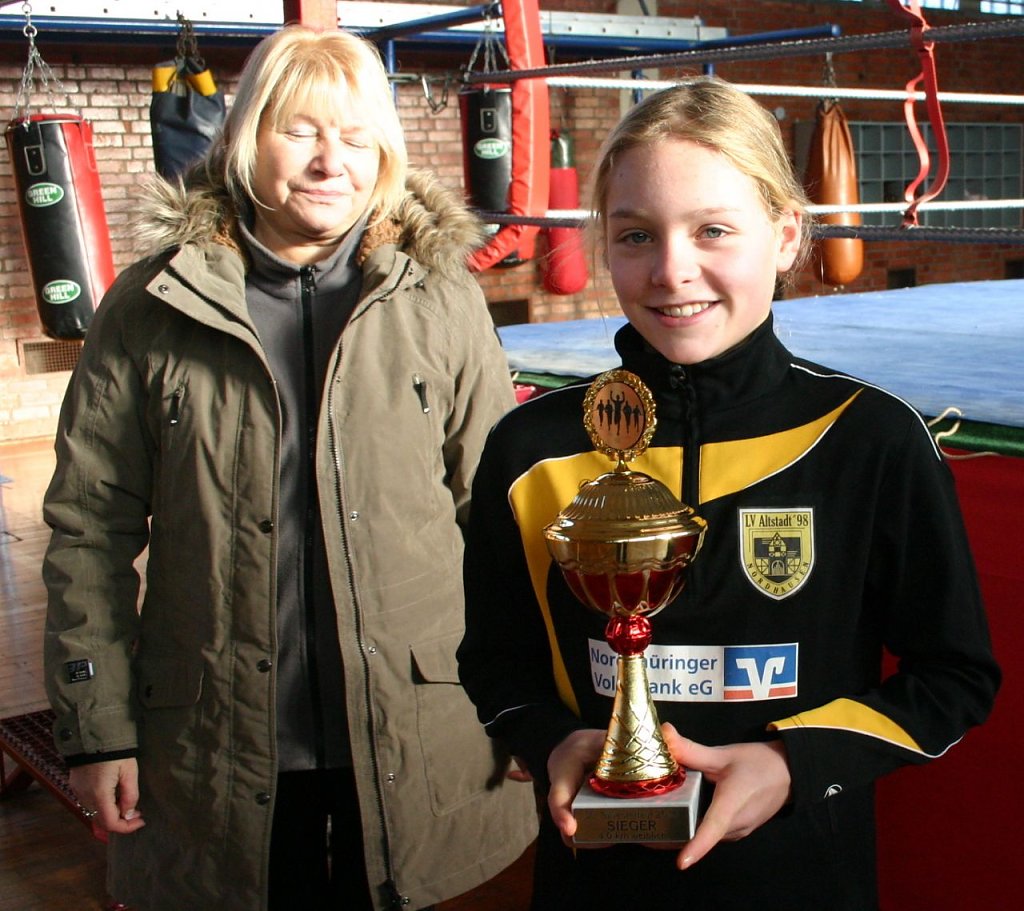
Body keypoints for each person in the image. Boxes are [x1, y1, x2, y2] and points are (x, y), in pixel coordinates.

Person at [457, 77, 1000, 911]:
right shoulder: (532, 448)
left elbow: (954, 675)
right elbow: (495, 659)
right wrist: (552, 739)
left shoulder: (868, 439)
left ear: (785, 235)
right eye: (636, 235)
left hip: (801, 877)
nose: (672, 270)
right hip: (596, 882)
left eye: (712, 229)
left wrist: (796, 761)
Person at [42, 24, 535, 911]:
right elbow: (88, 529)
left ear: (383, 154)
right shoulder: (150, 304)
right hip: (222, 732)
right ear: (245, 138)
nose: (328, 162)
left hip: (410, 717)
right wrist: (96, 726)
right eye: (299, 130)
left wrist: (529, 699)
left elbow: (498, 520)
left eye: (355, 137)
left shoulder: (441, 298)